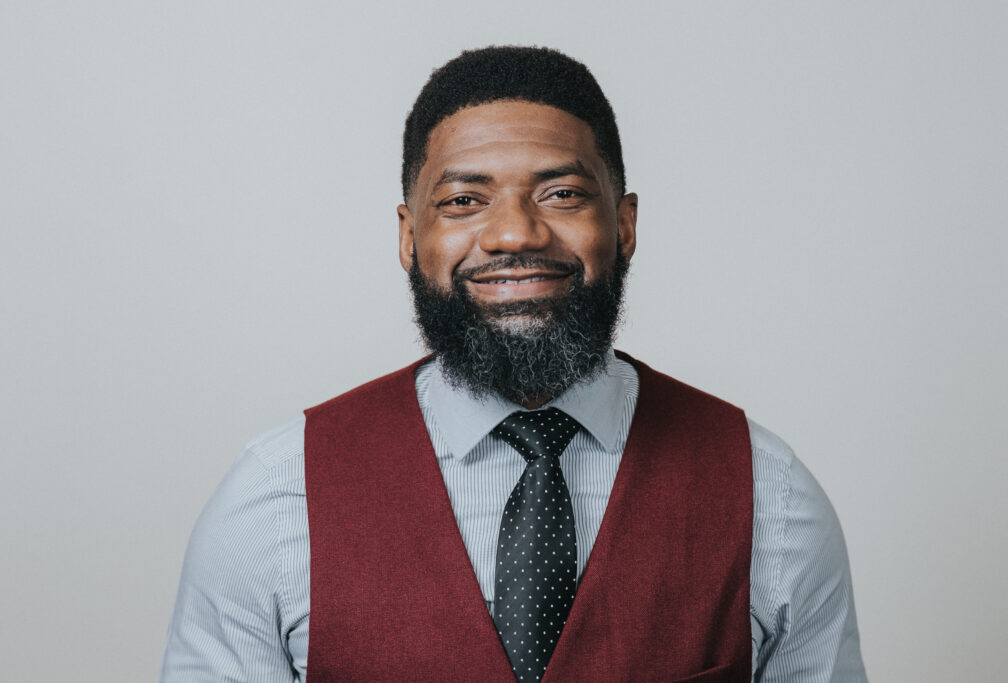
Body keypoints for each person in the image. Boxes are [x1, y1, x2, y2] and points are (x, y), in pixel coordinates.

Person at [158, 46, 867, 682]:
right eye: (464, 200)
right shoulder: (274, 500)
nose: (514, 233)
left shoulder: (767, 496)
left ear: (623, 224)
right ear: (410, 236)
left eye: (561, 194)